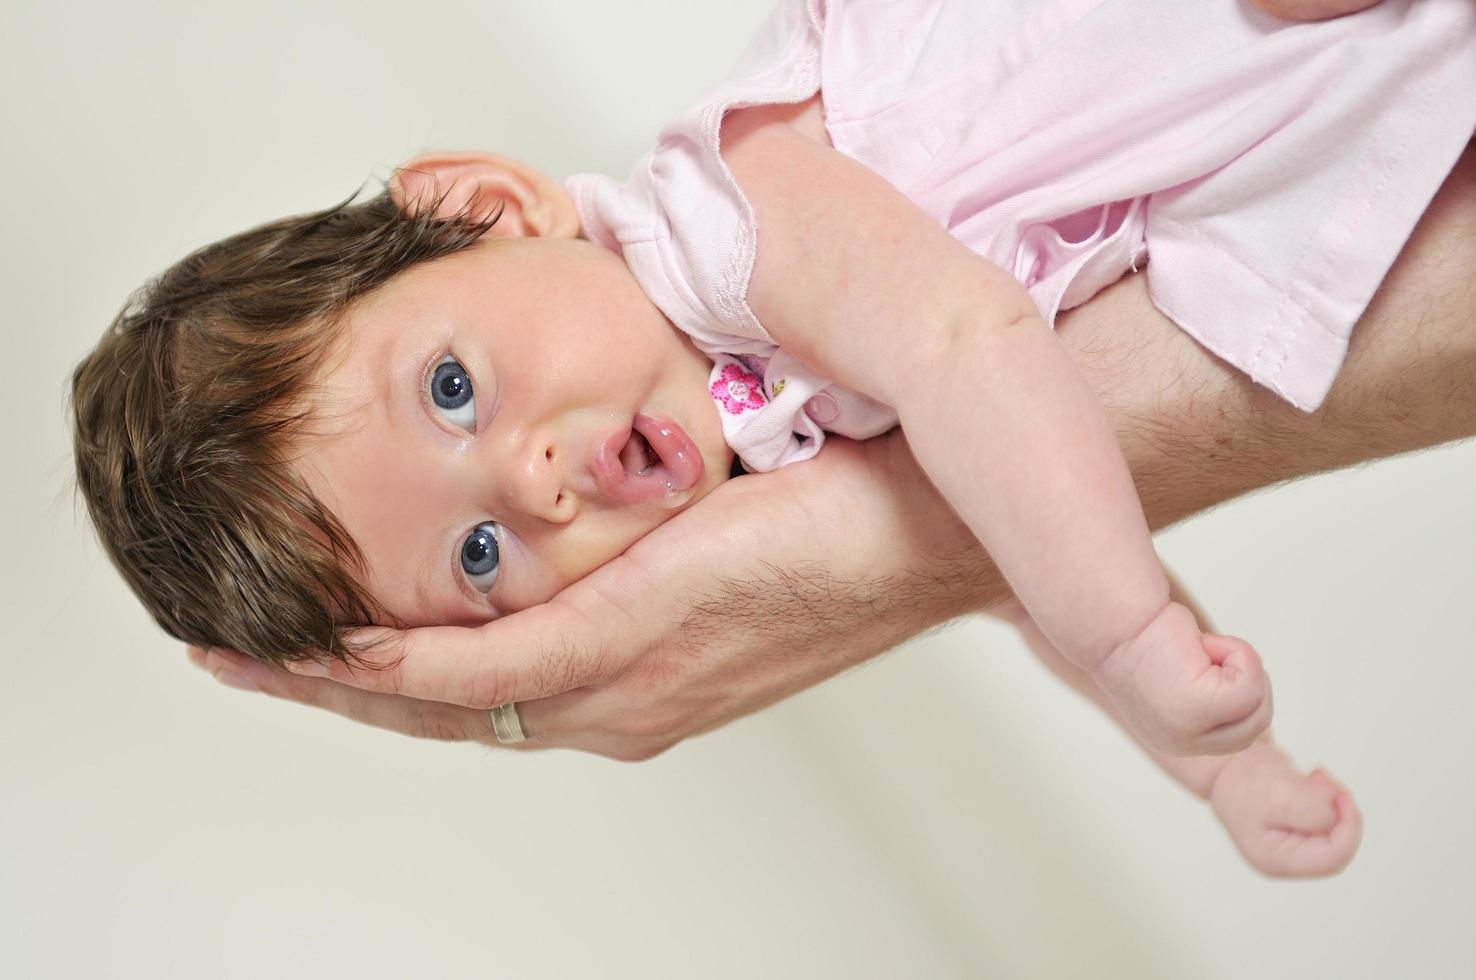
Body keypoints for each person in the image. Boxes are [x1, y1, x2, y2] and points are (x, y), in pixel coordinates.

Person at [69, 0, 1471, 876]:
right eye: (481, 550)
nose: (533, 478)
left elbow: (972, 351)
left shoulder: (740, 225)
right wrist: (1220, 765)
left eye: (452, 389)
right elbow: (1012, 544)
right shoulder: (758, 415)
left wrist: (1130, 640)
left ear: (492, 208)